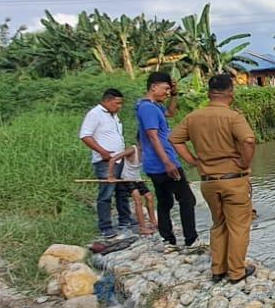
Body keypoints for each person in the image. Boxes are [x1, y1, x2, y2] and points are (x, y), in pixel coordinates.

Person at [170, 73, 257, 283]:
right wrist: (244, 163)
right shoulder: (233, 117)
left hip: (208, 181)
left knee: (218, 224)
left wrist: (193, 161)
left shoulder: (193, 117)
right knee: (238, 226)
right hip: (233, 179)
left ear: (209, 93)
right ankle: (236, 271)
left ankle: (218, 269)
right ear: (231, 93)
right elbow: (248, 140)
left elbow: (174, 139)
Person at [136, 72, 197, 249]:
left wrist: (175, 94)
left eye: (169, 90)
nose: (167, 92)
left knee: (165, 201)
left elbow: (170, 112)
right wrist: (167, 162)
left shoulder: (152, 106)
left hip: (155, 164)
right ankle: (191, 239)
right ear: (153, 87)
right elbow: (153, 136)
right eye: (166, 89)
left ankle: (168, 239)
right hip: (162, 163)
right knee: (187, 199)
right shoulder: (147, 108)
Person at [79, 88, 135, 240]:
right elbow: (85, 135)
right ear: (108, 100)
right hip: (105, 161)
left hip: (119, 159)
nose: (119, 106)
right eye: (117, 103)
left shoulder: (113, 116)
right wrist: (102, 152)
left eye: (121, 103)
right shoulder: (95, 114)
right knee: (106, 194)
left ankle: (125, 220)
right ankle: (105, 227)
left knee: (122, 191)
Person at [116, 145, 157, 237]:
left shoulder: (147, 152)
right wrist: (111, 176)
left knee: (149, 196)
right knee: (138, 200)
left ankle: (153, 222)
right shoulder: (132, 150)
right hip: (127, 178)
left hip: (137, 178)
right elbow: (114, 159)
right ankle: (142, 227)